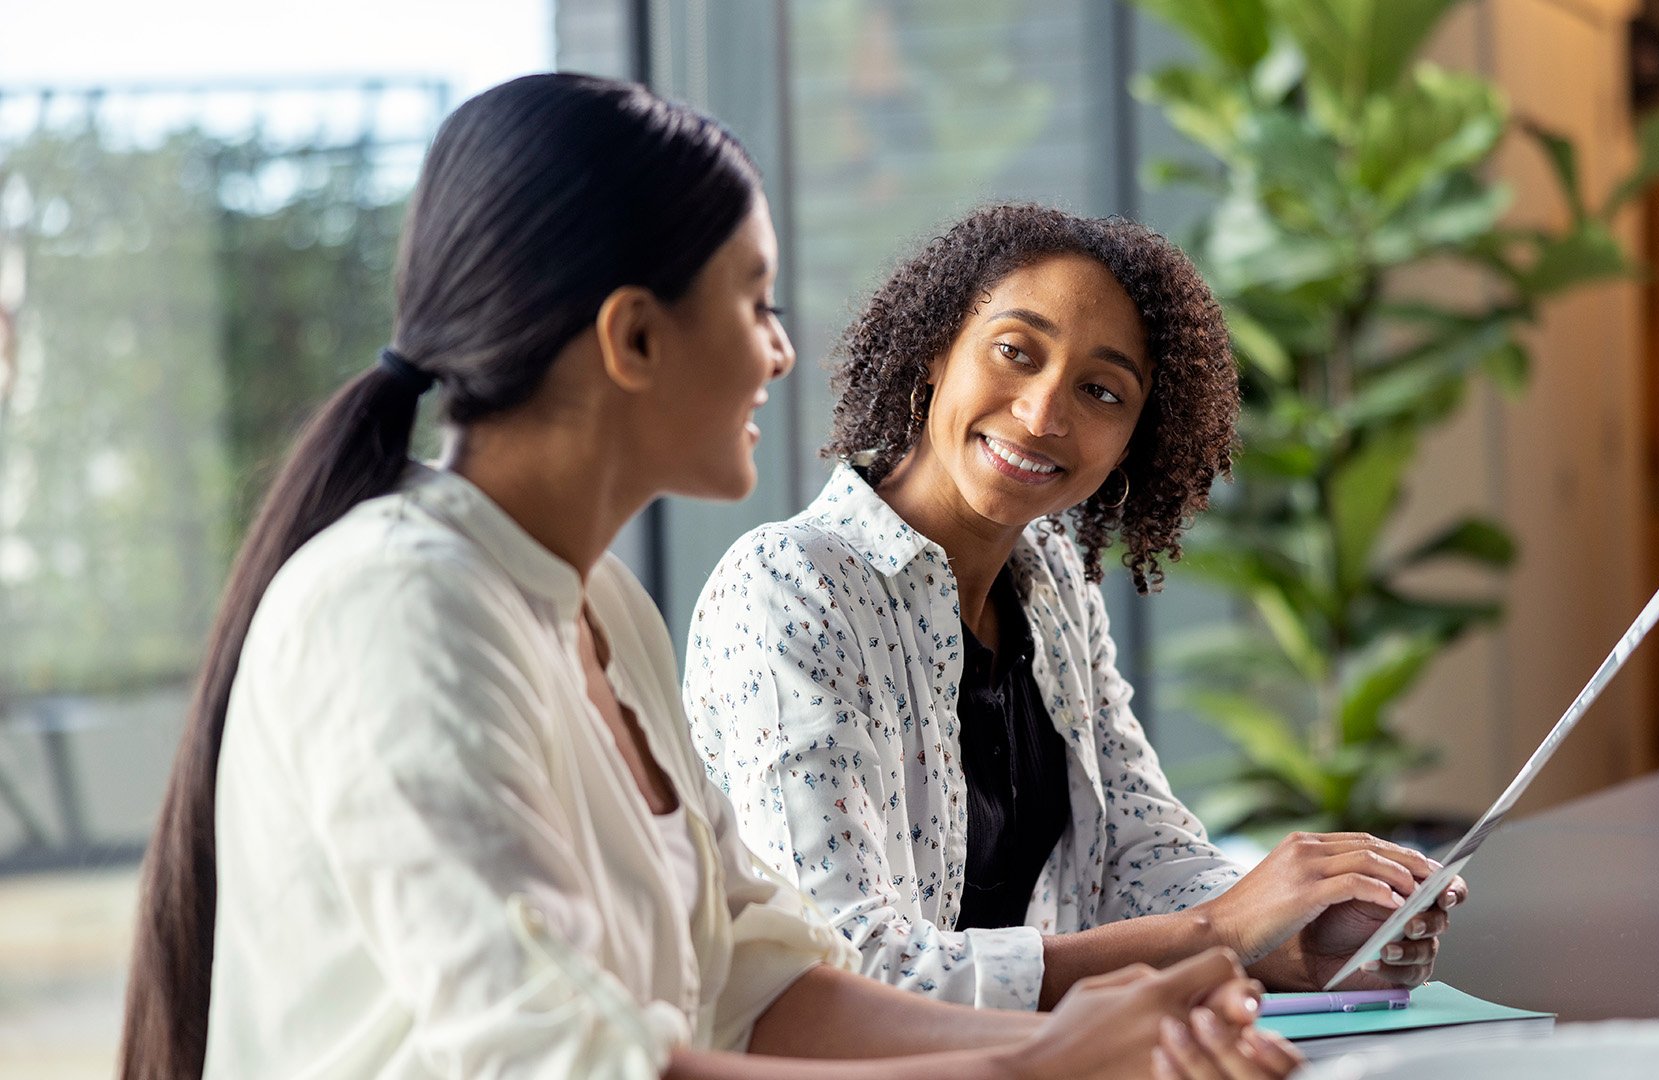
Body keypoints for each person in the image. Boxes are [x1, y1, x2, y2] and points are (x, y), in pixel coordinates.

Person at [116, 76, 1301, 1080]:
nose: (782, 350)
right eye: (755, 302)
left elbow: (760, 985)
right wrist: (1037, 1058)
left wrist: (1078, 1038)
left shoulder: (602, 607)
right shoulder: (398, 610)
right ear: (635, 338)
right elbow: (566, 1057)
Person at [684, 205, 1466, 1012]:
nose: (1044, 413)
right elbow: (851, 970)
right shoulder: (791, 587)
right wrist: (1219, 933)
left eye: (1101, 391)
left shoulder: (1050, 581)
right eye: (1015, 352)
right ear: (933, 352)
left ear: (1134, 441)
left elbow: (1137, 853)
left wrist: (1293, 938)